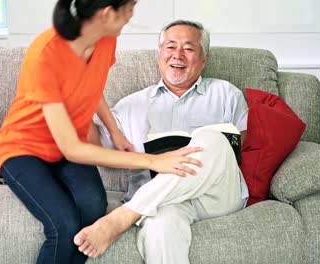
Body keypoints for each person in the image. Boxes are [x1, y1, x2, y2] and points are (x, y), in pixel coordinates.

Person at [0, 2, 204, 263]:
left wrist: (115, 131)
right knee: (63, 225)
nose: (131, 15)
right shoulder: (45, 55)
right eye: (129, 8)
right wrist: (154, 160)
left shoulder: (105, 40)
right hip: (22, 149)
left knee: (92, 210)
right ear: (107, 13)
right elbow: (73, 149)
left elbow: (91, 86)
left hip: (67, 148)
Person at [73, 20, 250, 263]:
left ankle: (123, 217)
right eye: (170, 47)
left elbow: (242, 146)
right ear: (160, 54)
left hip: (214, 196)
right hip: (160, 201)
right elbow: (94, 143)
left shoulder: (226, 94)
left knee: (213, 139)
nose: (178, 55)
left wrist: (205, 148)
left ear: (203, 59)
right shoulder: (130, 106)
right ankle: (141, 208)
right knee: (161, 224)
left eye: (189, 48)